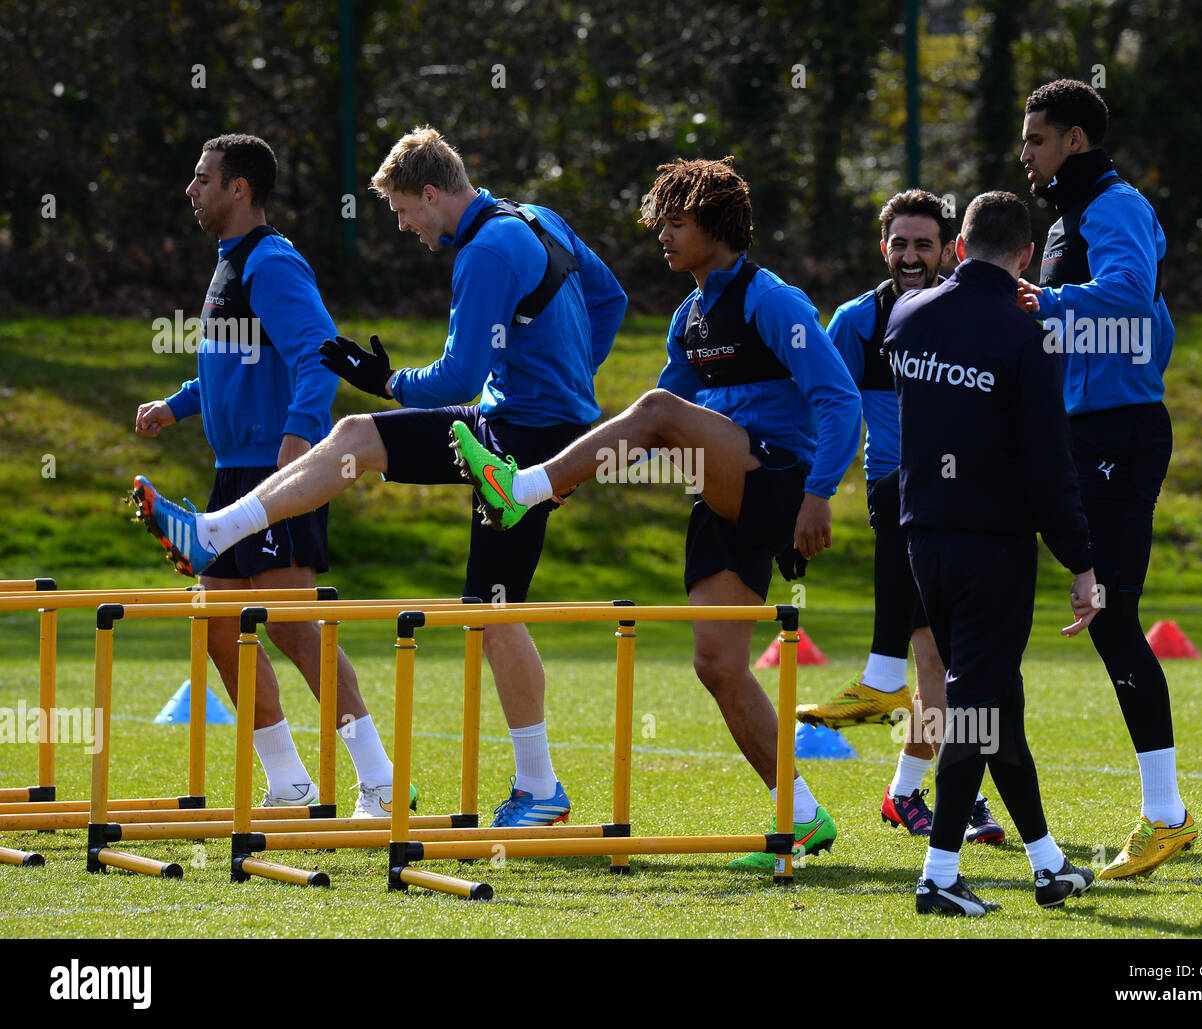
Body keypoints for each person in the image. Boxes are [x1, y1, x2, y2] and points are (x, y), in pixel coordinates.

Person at [131, 125, 628, 828]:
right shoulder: (538, 218)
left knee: (477, 599)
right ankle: (215, 530)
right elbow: (609, 302)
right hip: (523, 425)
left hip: (516, 434)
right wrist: (573, 393)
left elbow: (457, 375)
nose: (404, 228)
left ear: (432, 193)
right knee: (483, 595)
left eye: (403, 212)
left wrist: (388, 378)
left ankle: (531, 789)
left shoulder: (482, 251)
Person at [448, 157, 862, 871]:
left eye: (677, 223)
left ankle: (521, 487)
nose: (662, 236)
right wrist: (583, 473)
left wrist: (821, 492)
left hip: (778, 479)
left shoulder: (771, 299)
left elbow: (839, 397)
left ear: (717, 227)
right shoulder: (687, 318)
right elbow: (647, 436)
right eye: (660, 222)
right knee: (718, 664)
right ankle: (801, 815)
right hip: (721, 495)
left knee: (660, 408)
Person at [132, 133, 406, 817]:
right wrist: (177, 405)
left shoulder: (273, 263)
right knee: (219, 628)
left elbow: (320, 358)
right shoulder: (227, 265)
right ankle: (288, 782)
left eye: (202, 180)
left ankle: (379, 780)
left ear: (239, 189)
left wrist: (297, 442)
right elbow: (223, 367)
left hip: (277, 469)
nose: (191, 191)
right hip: (233, 473)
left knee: (291, 626)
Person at [890, 191, 1098, 916]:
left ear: (955, 248)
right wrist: (1080, 559)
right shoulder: (1026, 333)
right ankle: (939, 873)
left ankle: (1048, 864)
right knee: (977, 705)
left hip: (924, 538)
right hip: (993, 546)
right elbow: (1050, 464)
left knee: (994, 701)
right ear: (1028, 259)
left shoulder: (907, 316)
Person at [1017, 79, 1196, 879]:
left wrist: (1043, 302)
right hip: (1080, 429)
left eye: (1036, 140)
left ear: (1074, 142)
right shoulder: (1064, 220)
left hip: (1120, 430)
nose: (1025, 154)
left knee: (1115, 616)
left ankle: (1167, 816)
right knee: (1097, 612)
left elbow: (1127, 297)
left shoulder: (1113, 205)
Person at [796, 190, 1006, 846]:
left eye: (924, 244)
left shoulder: (971, 314)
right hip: (902, 505)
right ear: (882, 247)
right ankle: (932, 789)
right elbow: (821, 406)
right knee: (942, 659)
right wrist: (813, 490)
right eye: (900, 243)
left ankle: (917, 786)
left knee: (954, 662)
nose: (911, 255)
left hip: (969, 506)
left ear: (950, 250)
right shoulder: (856, 322)